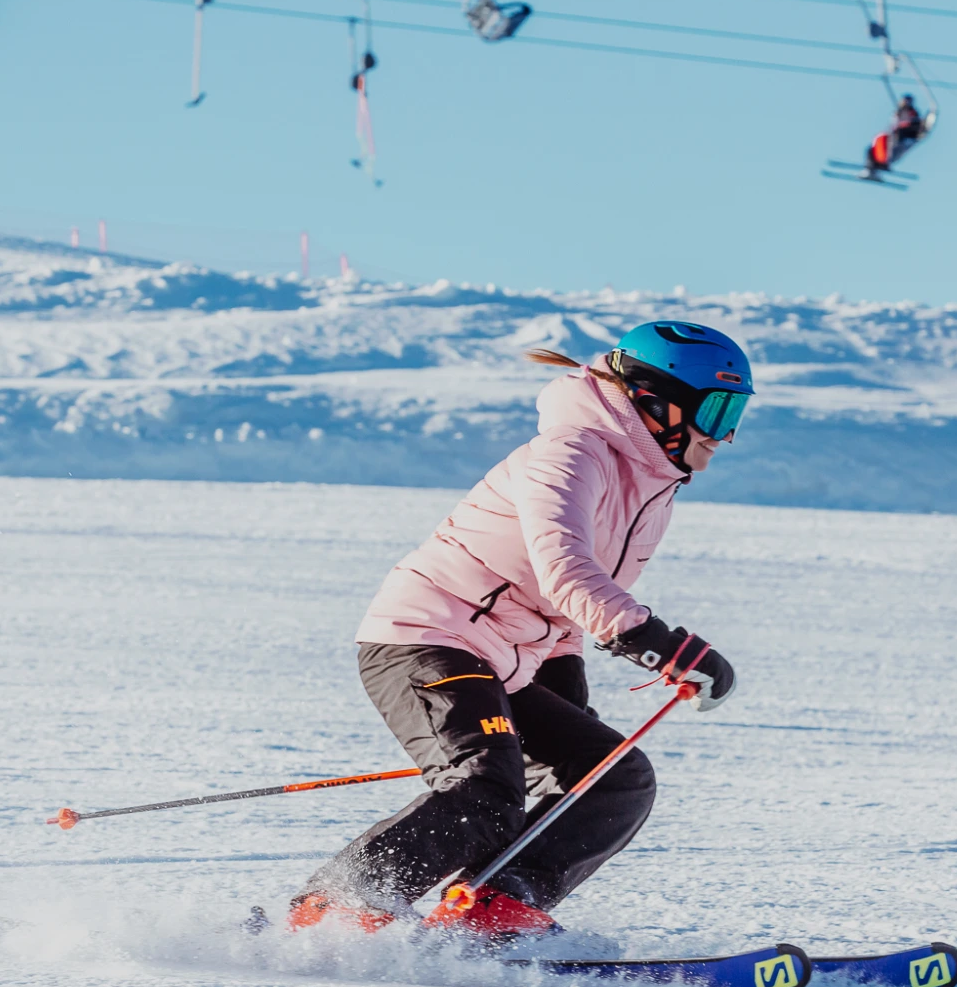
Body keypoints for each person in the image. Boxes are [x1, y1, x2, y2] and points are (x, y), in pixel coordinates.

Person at [287, 321, 755, 943]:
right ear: (654, 398)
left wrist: (564, 686)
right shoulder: (571, 453)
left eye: (735, 415)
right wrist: (666, 645)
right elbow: (566, 571)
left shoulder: (650, 487)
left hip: (503, 657)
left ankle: (492, 908)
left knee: (614, 777)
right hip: (426, 636)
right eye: (716, 411)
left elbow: (557, 607)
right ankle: (335, 910)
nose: (723, 436)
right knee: (485, 792)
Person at [867, 94, 924, 172]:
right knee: (872, 147)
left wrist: (905, 124)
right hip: (894, 134)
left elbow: (915, 124)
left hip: (904, 135)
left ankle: (885, 163)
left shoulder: (913, 113)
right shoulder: (898, 112)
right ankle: (871, 165)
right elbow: (893, 123)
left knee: (893, 146)